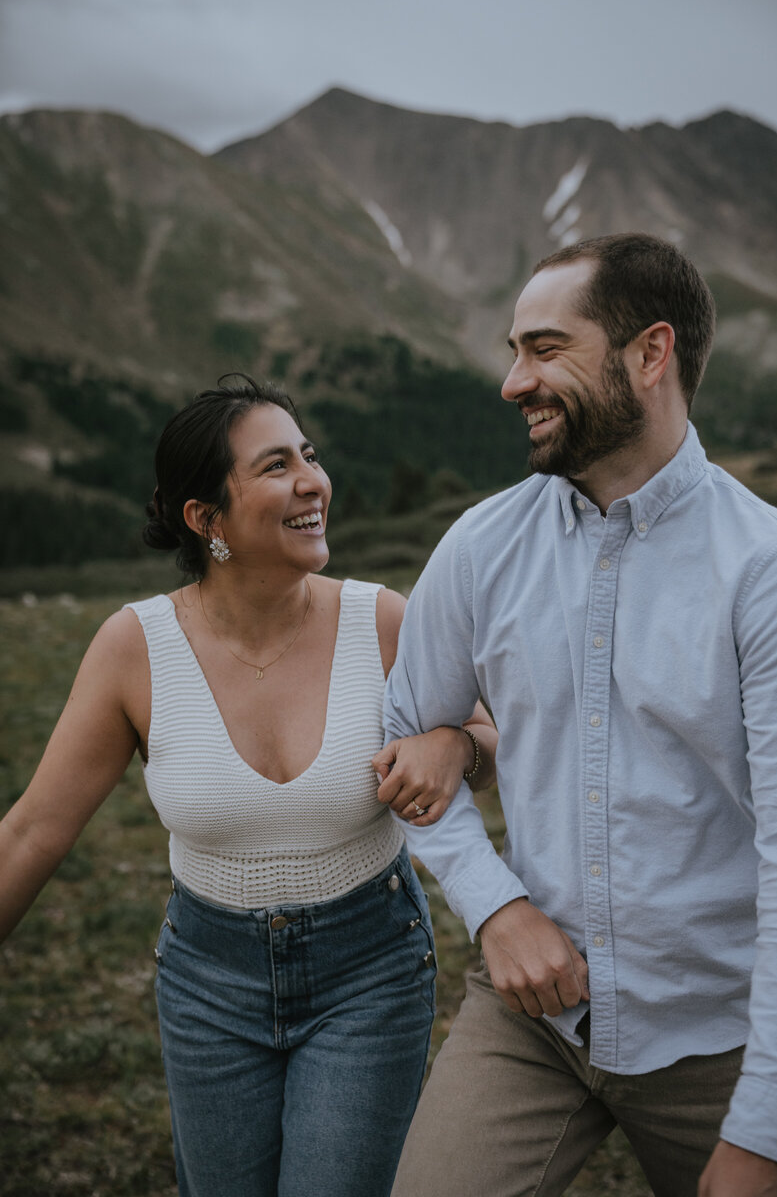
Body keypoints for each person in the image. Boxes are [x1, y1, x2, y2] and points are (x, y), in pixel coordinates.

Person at [0, 374, 497, 1197]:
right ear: (206, 519)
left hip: (369, 971)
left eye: (310, 455)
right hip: (206, 981)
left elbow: (489, 738)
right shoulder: (134, 647)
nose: (314, 481)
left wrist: (455, 746)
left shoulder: (382, 621)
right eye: (276, 466)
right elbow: (31, 832)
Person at [381, 234, 777, 1197]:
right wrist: (496, 905)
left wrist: (773, 1129)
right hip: (530, 1025)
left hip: (723, 1038)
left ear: (650, 355)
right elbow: (400, 734)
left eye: (543, 348)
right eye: (512, 350)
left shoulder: (769, 573)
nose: (511, 382)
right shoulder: (482, 544)